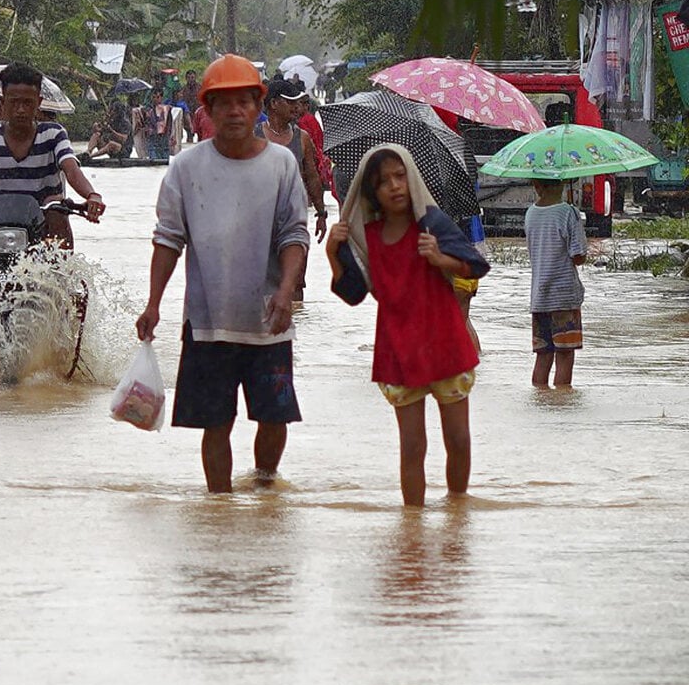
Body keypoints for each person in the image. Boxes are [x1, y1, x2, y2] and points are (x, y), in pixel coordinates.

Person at [135, 53, 310, 494]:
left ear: (259, 107)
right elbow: (168, 239)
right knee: (216, 423)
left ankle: (266, 489)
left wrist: (286, 292)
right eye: (224, 104)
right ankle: (220, 507)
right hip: (207, 321)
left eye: (244, 103)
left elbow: (295, 236)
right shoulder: (185, 168)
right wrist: (154, 304)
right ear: (207, 112)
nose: (235, 112)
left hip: (268, 322)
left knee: (274, 415)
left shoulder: (281, 164)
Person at [326, 144, 489, 507]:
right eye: (384, 181)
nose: (395, 186)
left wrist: (441, 258)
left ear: (412, 178)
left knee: (458, 438)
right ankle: (411, 522)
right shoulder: (367, 238)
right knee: (412, 446)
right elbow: (354, 294)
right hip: (399, 351)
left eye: (400, 176)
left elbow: (475, 267)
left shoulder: (432, 222)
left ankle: (457, 511)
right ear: (372, 192)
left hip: (445, 343)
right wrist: (333, 257)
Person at [0, 62, 105, 249]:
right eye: (14, 102)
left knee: (62, 263)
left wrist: (92, 196)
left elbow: (72, 171)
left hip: (47, 221)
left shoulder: (54, 134)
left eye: (27, 103)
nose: (21, 109)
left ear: (39, 103)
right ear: (3, 103)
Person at [525, 178, 588, 387]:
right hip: (563, 297)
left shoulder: (530, 213)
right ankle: (561, 407)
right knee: (565, 355)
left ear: (536, 186)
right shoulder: (568, 213)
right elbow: (578, 256)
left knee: (543, 355)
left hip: (539, 297)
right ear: (564, 182)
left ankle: (541, 402)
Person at [257, 78, 328, 243]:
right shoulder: (254, 137)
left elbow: (312, 177)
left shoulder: (302, 138)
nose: (296, 107)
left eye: (297, 102)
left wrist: (321, 213)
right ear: (274, 103)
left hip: (294, 220)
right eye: (290, 102)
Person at [146, 89, 172, 160]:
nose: (155, 99)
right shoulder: (148, 110)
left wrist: (170, 136)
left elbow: (169, 124)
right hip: (152, 138)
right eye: (153, 97)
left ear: (161, 98)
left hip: (164, 138)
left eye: (157, 97)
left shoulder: (167, 109)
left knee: (164, 161)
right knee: (153, 160)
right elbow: (145, 124)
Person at [182, 69, 201, 142]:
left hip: (198, 113)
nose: (190, 80)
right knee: (189, 133)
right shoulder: (183, 89)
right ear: (186, 78)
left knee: (200, 134)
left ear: (195, 77)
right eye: (189, 78)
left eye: (192, 77)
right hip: (188, 115)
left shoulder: (200, 88)